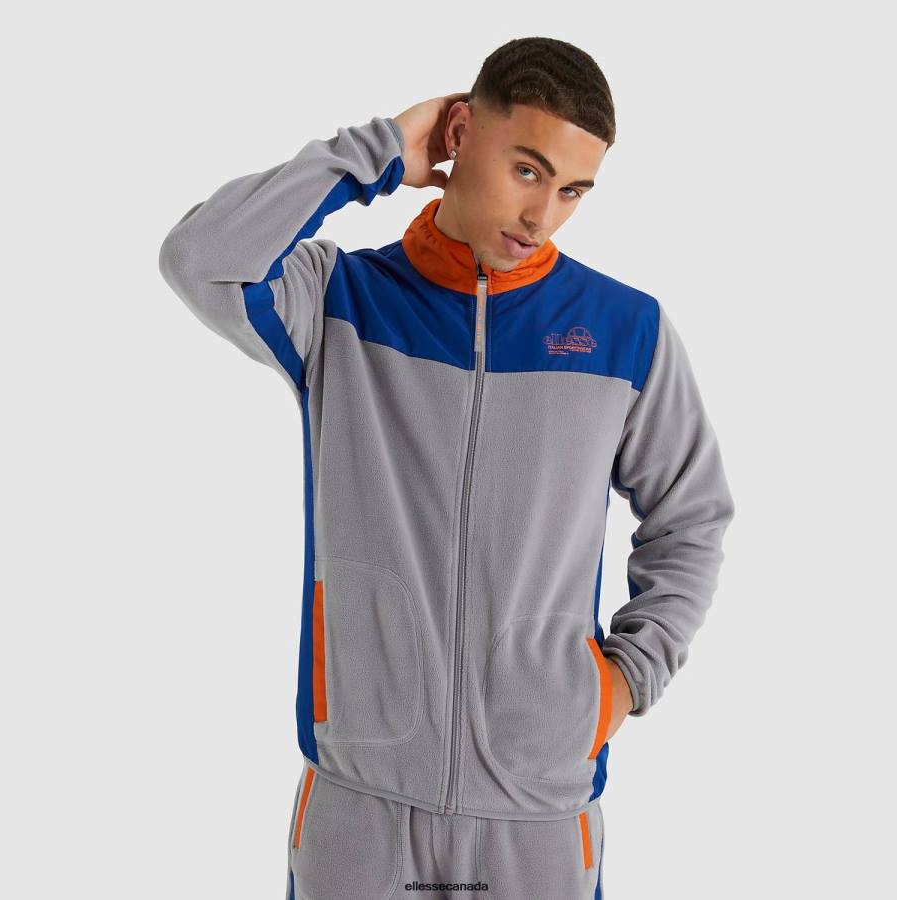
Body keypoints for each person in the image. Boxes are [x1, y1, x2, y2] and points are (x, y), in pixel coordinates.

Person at [158, 36, 734, 900]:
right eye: (527, 170)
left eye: (572, 190)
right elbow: (199, 259)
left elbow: (692, 517)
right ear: (460, 133)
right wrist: (380, 150)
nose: (542, 215)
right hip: (359, 801)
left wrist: (624, 680)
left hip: (539, 810)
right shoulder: (338, 303)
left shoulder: (625, 332)